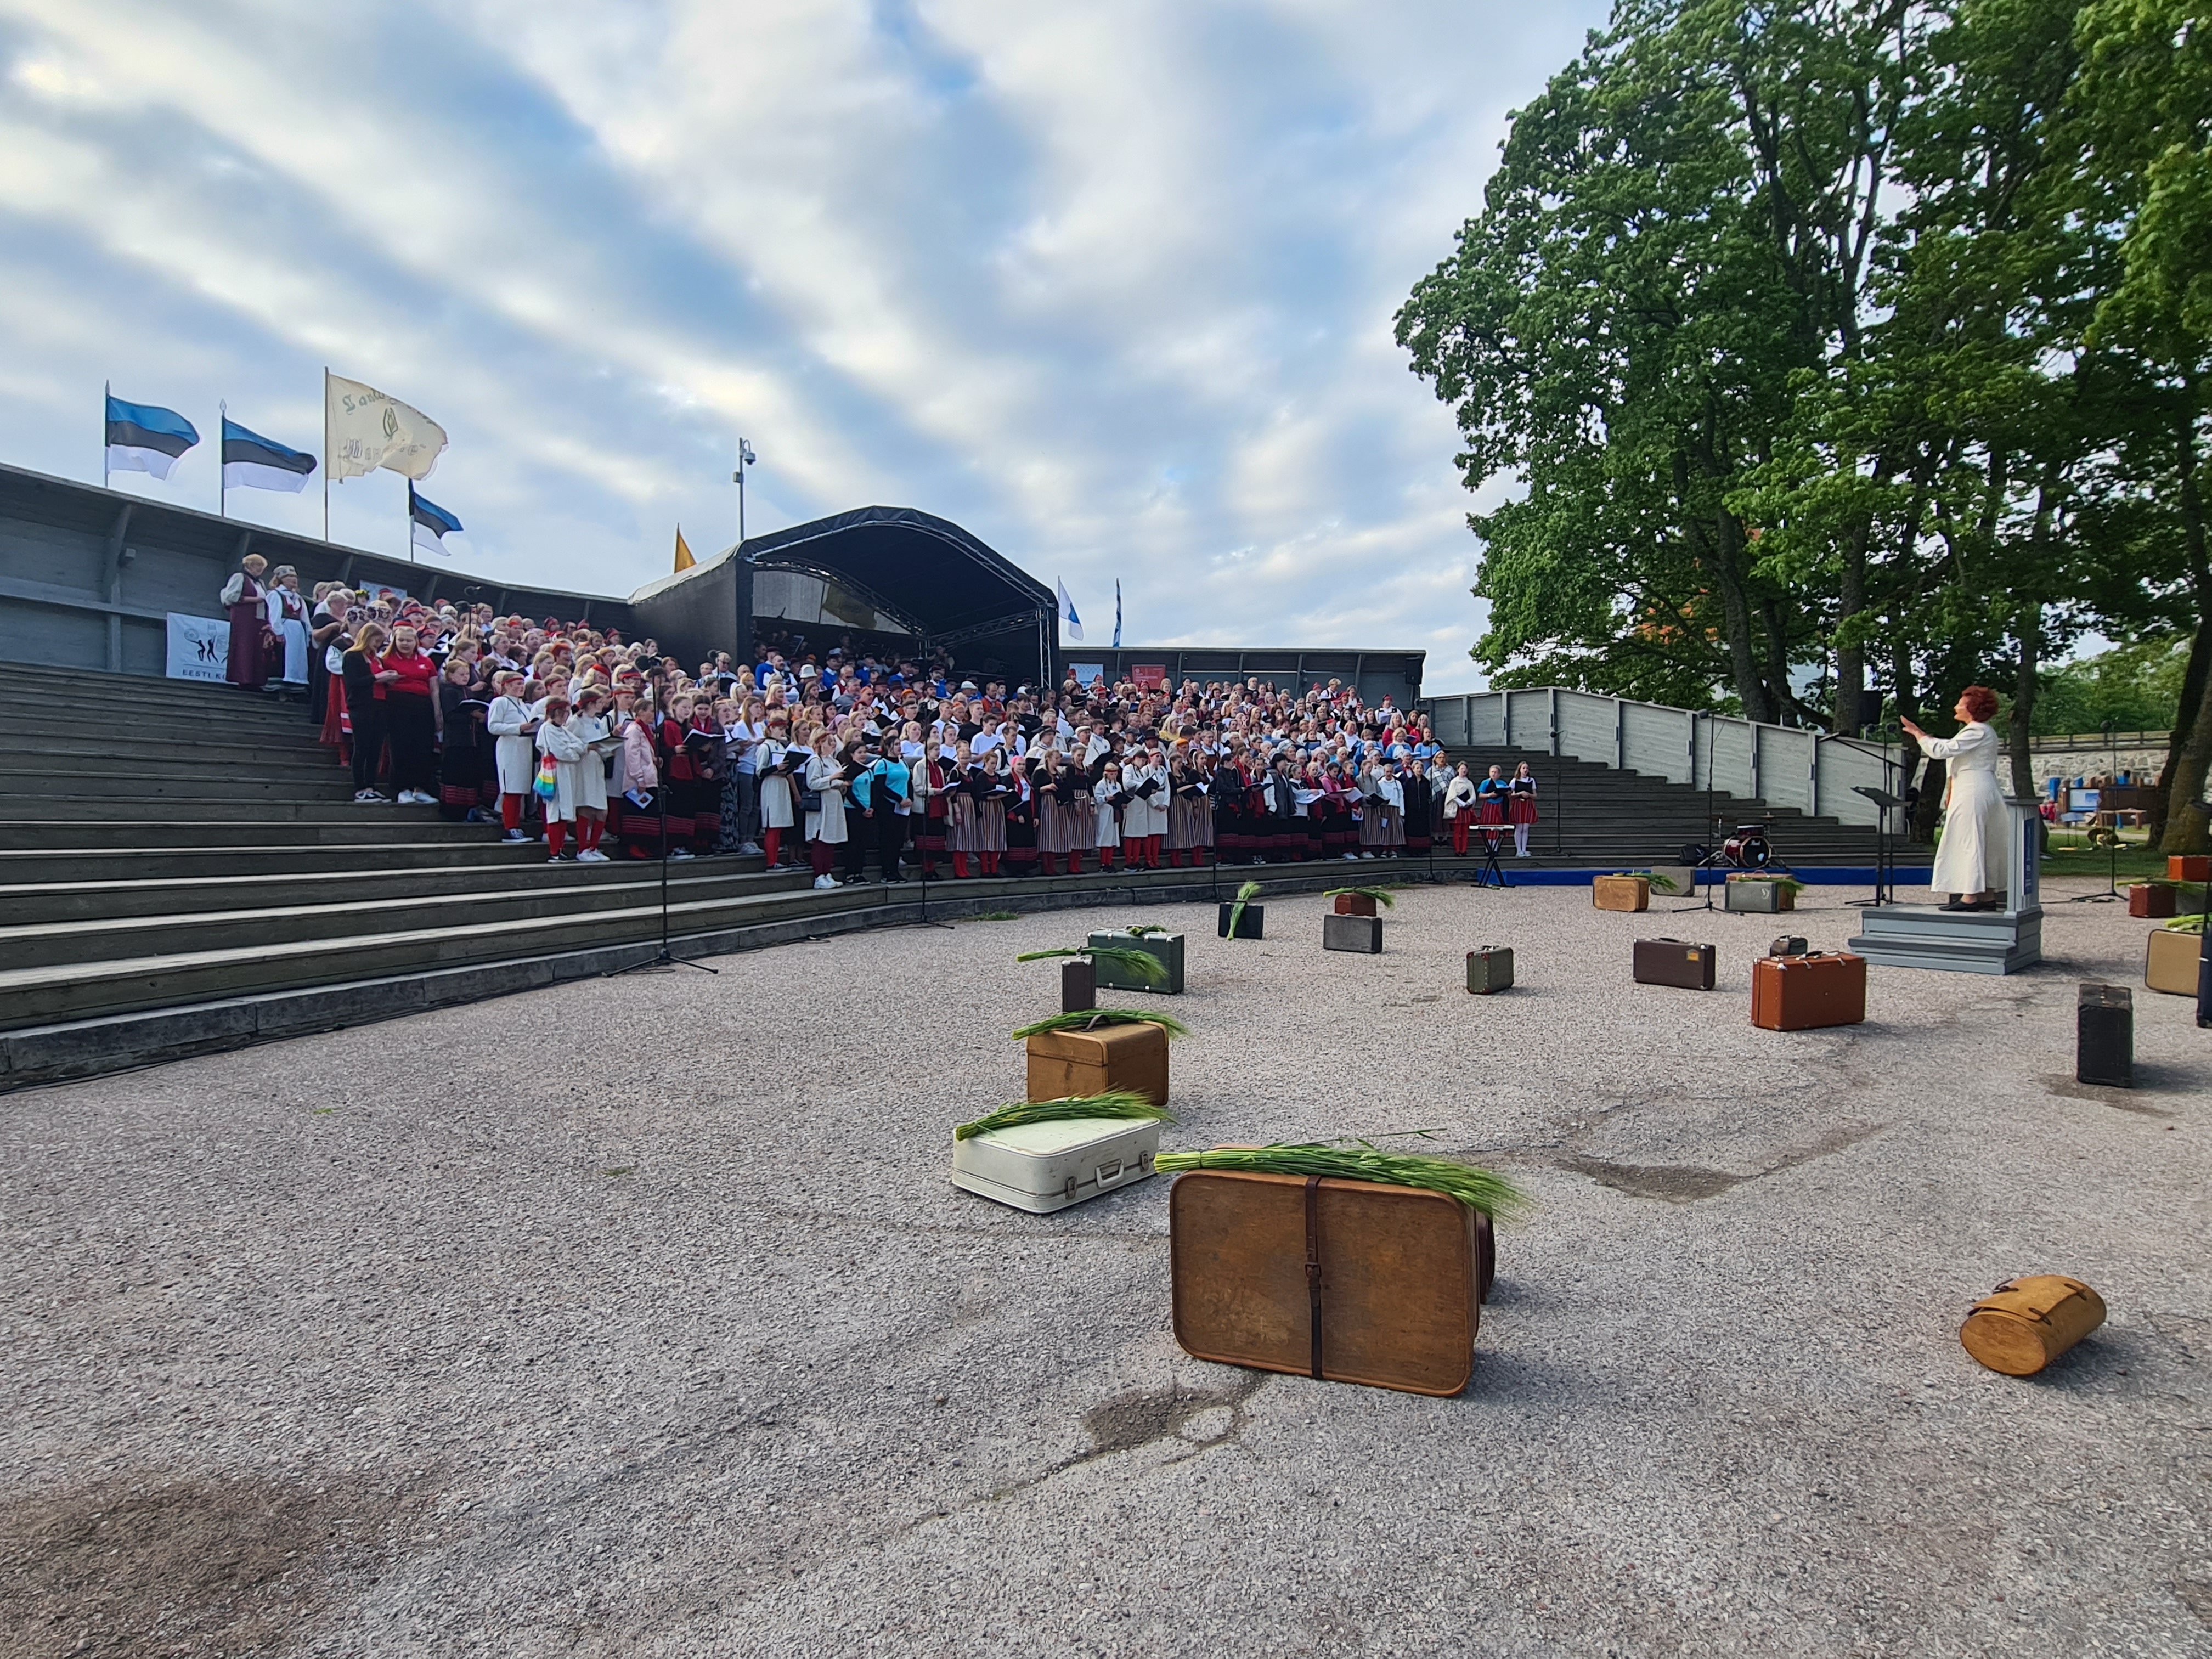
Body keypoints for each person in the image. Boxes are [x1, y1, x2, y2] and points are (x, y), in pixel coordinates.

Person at [1901, 685, 2009, 910]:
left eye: (1961, 703)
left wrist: (1919, 734)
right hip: (1975, 787)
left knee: (1970, 839)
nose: (1956, 707)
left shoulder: (1977, 730)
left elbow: (1942, 751)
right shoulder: (1978, 731)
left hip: (1973, 789)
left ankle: (1970, 896)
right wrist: (1952, 790)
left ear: (1972, 708)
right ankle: (1987, 895)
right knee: (1984, 840)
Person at [379, 624, 442, 805]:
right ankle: (402, 789)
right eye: (401, 640)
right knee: (400, 746)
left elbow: (434, 689)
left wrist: (437, 713)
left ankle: (420, 788)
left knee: (423, 747)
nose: (405, 644)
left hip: (423, 706)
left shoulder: (426, 661)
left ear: (416, 642)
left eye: (409, 640)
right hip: (397, 705)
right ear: (395, 641)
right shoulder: (386, 659)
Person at [339, 621, 393, 802]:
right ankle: (360, 786)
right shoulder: (352, 656)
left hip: (380, 704)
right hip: (362, 706)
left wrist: (389, 679)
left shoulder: (378, 659)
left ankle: (371, 784)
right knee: (362, 746)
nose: (377, 645)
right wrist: (376, 678)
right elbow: (353, 682)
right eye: (375, 641)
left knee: (375, 748)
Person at [486, 671, 541, 840]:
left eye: (522, 684)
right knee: (511, 788)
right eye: (517, 684)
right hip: (510, 747)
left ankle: (515, 825)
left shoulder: (523, 705)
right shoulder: (500, 702)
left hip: (525, 748)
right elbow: (493, 726)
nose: (521, 687)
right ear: (507, 686)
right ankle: (509, 827)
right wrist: (518, 728)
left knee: (521, 789)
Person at [803, 730, 851, 889]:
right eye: (829, 741)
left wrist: (844, 784)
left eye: (833, 741)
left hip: (834, 802)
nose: (833, 744)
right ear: (819, 743)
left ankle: (827, 872)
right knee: (821, 840)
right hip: (822, 803)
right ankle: (819, 876)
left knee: (832, 839)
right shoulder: (815, 761)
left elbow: (838, 781)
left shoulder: (834, 761)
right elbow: (812, 783)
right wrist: (832, 778)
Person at [219, 552, 272, 690]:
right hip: (244, 618)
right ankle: (243, 679)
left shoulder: (260, 583)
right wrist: (254, 600)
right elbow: (231, 597)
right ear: (249, 565)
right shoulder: (239, 577)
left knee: (257, 648)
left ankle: (256, 680)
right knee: (244, 647)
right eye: (258, 565)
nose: (260, 569)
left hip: (259, 619)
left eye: (262, 566)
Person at [1443, 763, 1478, 857]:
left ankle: (1464, 850)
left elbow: (1473, 795)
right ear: (1458, 770)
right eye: (1462, 768)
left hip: (1466, 809)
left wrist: (1469, 802)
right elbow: (1451, 795)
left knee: (1465, 830)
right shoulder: (1454, 782)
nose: (1464, 770)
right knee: (1457, 831)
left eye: (1465, 769)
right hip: (1457, 808)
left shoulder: (1469, 782)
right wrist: (1460, 802)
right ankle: (1457, 850)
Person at [1508, 761, 1539, 858]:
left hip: (1528, 804)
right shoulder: (1515, 781)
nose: (1526, 770)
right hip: (1518, 804)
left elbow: (1535, 795)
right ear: (1520, 770)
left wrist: (1529, 795)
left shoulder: (1531, 780)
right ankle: (1519, 850)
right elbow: (1510, 795)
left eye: (1527, 768)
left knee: (1526, 828)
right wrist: (1520, 793)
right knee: (1519, 827)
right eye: (1524, 768)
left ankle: (1524, 849)